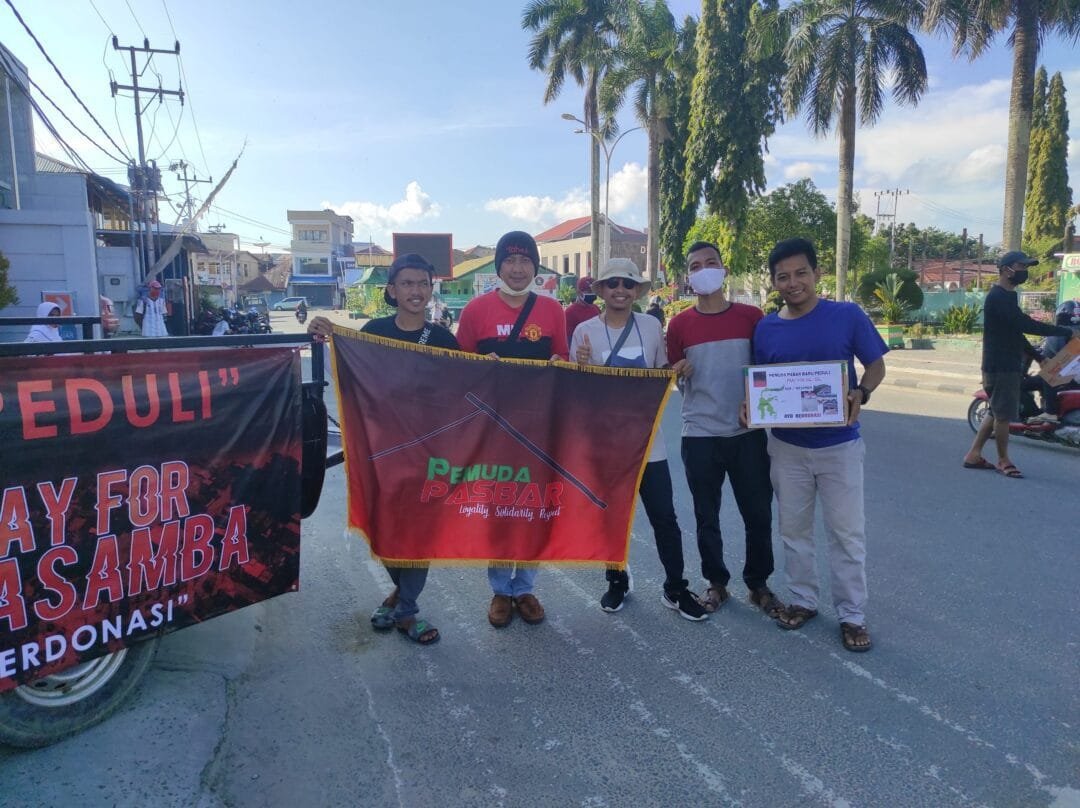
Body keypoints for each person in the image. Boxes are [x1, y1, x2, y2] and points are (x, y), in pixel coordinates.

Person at [308, 252, 457, 645]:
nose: (416, 291)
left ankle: (406, 611)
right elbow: (349, 368)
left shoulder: (443, 339)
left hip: (429, 452)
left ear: (431, 289)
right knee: (385, 528)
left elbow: (463, 388)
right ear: (392, 290)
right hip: (382, 451)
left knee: (420, 534)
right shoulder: (374, 331)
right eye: (407, 283)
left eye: (423, 283)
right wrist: (325, 332)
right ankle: (400, 596)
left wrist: (490, 367)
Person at [751, 237, 887, 653]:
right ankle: (803, 600)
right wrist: (750, 405)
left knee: (847, 534)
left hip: (839, 446)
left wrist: (861, 392)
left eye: (801, 273)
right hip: (786, 448)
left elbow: (876, 365)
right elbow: (761, 383)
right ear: (774, 282)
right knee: (794, 531)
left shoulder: (846, 316)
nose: (793, 283)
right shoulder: (766, 328)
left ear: (817, 273)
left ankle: (852, 614)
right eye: (783, 277)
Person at [570, 258, 705, 620]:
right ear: (601, 290)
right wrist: (580, 364)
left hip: (648, 441)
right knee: (611, 517)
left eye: (628, 284)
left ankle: (675, 588)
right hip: (605, 445)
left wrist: (677, 371)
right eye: (613, 283)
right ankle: (617, 582)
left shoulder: (650, 326)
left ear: (636, 291)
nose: (620, 290)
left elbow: (661, 373)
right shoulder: (584, 331)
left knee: (664, 516)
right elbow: (576, 391)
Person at [456, 230, 569, 628]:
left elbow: (563, 359)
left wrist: (560, 363)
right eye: (510, 261)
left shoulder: (552, 310)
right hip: (493, 429)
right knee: (501, 507)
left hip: (539, 427)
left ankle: (525, 587)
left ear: (535, 268)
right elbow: (458, 370)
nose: (517, 269)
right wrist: (478, 366)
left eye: (525, 261)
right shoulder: (476, 310)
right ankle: (501, 590)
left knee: (535, 505)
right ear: (499, 266)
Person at [665, 242, 782, 619]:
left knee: (758, 513)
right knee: (706, 515)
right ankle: (716, 583)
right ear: (688, 276)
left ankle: (758, 584)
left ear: (724, 269)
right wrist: (676, 371)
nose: (704, 270)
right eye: (695, 266)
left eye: (710, 263)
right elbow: (673, 377)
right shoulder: (679, 325)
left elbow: (767, 371)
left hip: (747, 434)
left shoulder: (752, 317)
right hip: (699, 433)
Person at [962, 251, 1074, 477]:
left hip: (1005, 363)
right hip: (1001, 366)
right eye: (1021, 266)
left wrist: (1038, 356)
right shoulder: (998, 297)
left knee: (995, 411)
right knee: (1003, 417)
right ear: (1006, 270)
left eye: (1026, 267)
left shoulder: (1008, 296)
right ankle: (1004, 460)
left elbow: (1015, 333)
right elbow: (1025, 325)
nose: (1025, 271)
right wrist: (1065, 331)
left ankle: (973, 454)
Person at [564, 275, 601, 343]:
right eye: (589, 291)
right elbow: (569, 339)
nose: (592, 294)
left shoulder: (596, 308)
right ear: (579, 292)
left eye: (593, 291)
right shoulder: (570, 312)